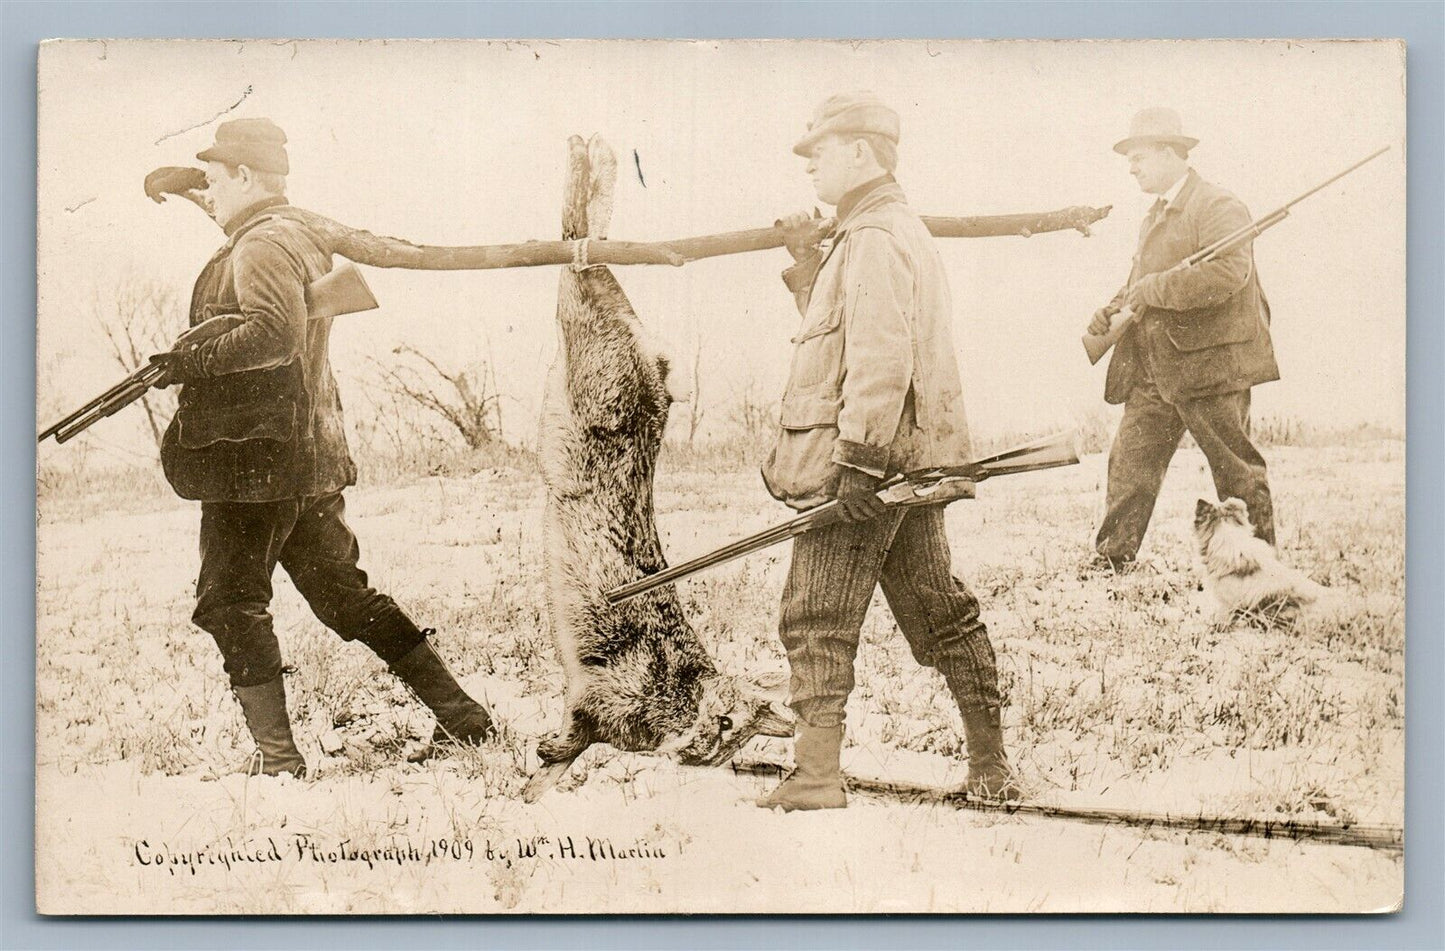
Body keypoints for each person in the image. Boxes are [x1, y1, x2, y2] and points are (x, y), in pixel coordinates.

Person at [150, 118, 495, 778]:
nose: (210, 195)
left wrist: (187, 362)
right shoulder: (290, 231)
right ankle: (466, 720)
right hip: (303, 461)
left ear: (246, 177)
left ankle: (278, 761)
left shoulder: (257, 248)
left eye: (216, 181)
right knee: (348, 600)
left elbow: (272, 336)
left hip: (253, 466)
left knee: (229, 602)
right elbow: (252, 228)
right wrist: (193, 185)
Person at [759, 92, 1019, 811]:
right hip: (909, 464)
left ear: (860, 153)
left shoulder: (874, 235)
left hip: (871, 469)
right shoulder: (879, 230)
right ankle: (990, 765)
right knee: (941, 612)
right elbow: (845, 335)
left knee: (813, 616)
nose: (810, 164)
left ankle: (813, 776)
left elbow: (879, 355)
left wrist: (856, 463)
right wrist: (809, 260)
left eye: (820, 150)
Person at [1086, 107, 1280, 573]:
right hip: (1155, 369)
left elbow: (1230, 274)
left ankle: (1261, 569)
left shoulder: (1217, 205)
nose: (1131, 167)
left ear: (1172, 154)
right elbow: (1142, 281)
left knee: (1236, 472)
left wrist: (1153, 289)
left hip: (1209, 368)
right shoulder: (1156, 214)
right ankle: (1113, 560)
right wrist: (1111, 310)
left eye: (1139, 157)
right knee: (1130, 465)